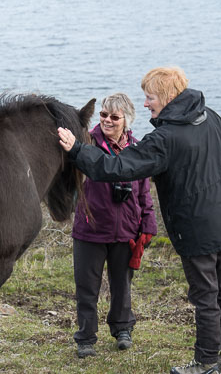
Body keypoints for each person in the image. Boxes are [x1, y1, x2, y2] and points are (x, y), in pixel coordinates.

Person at [58, 67, 221, 374]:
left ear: (169, 97)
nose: (146, 104)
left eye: (150, 97)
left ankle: (205, 361)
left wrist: (77, 150)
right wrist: (207, 181)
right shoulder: (209, 115)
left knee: (206, 295)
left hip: (197, 226)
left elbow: (117, 167)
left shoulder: (165, 138)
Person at [68, 93, 157, 358]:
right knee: (87, 287)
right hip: (90, 230)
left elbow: (144, 194)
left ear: (126, 120)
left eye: (114, 117)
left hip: (126, 232)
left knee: (122, 286)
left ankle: (122, 329)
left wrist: (148, 226)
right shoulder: (85, 144)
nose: (107, 120)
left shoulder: (137, 148)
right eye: (104, 115)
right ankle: (85, 338)